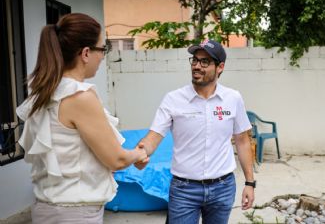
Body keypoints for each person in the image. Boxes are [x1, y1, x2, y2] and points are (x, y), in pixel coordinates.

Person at [16, 13, 148, 224]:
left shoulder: (45, 91)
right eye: (102, 49)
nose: (103, 56)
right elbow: (116, 159)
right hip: (75, 214)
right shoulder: (79, 96)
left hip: (48, 209)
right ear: (86, 53)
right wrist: (138, 153)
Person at [136, 39, 255, 224]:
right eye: (194, 60)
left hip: (223, 188)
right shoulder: (173, 99)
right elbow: (155, 135)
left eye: (205, 61)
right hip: (184, 190)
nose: (197, 66)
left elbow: (242, 140)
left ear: (220, 67)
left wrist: (249, 182)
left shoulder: (233, 98)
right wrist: (141, 152)